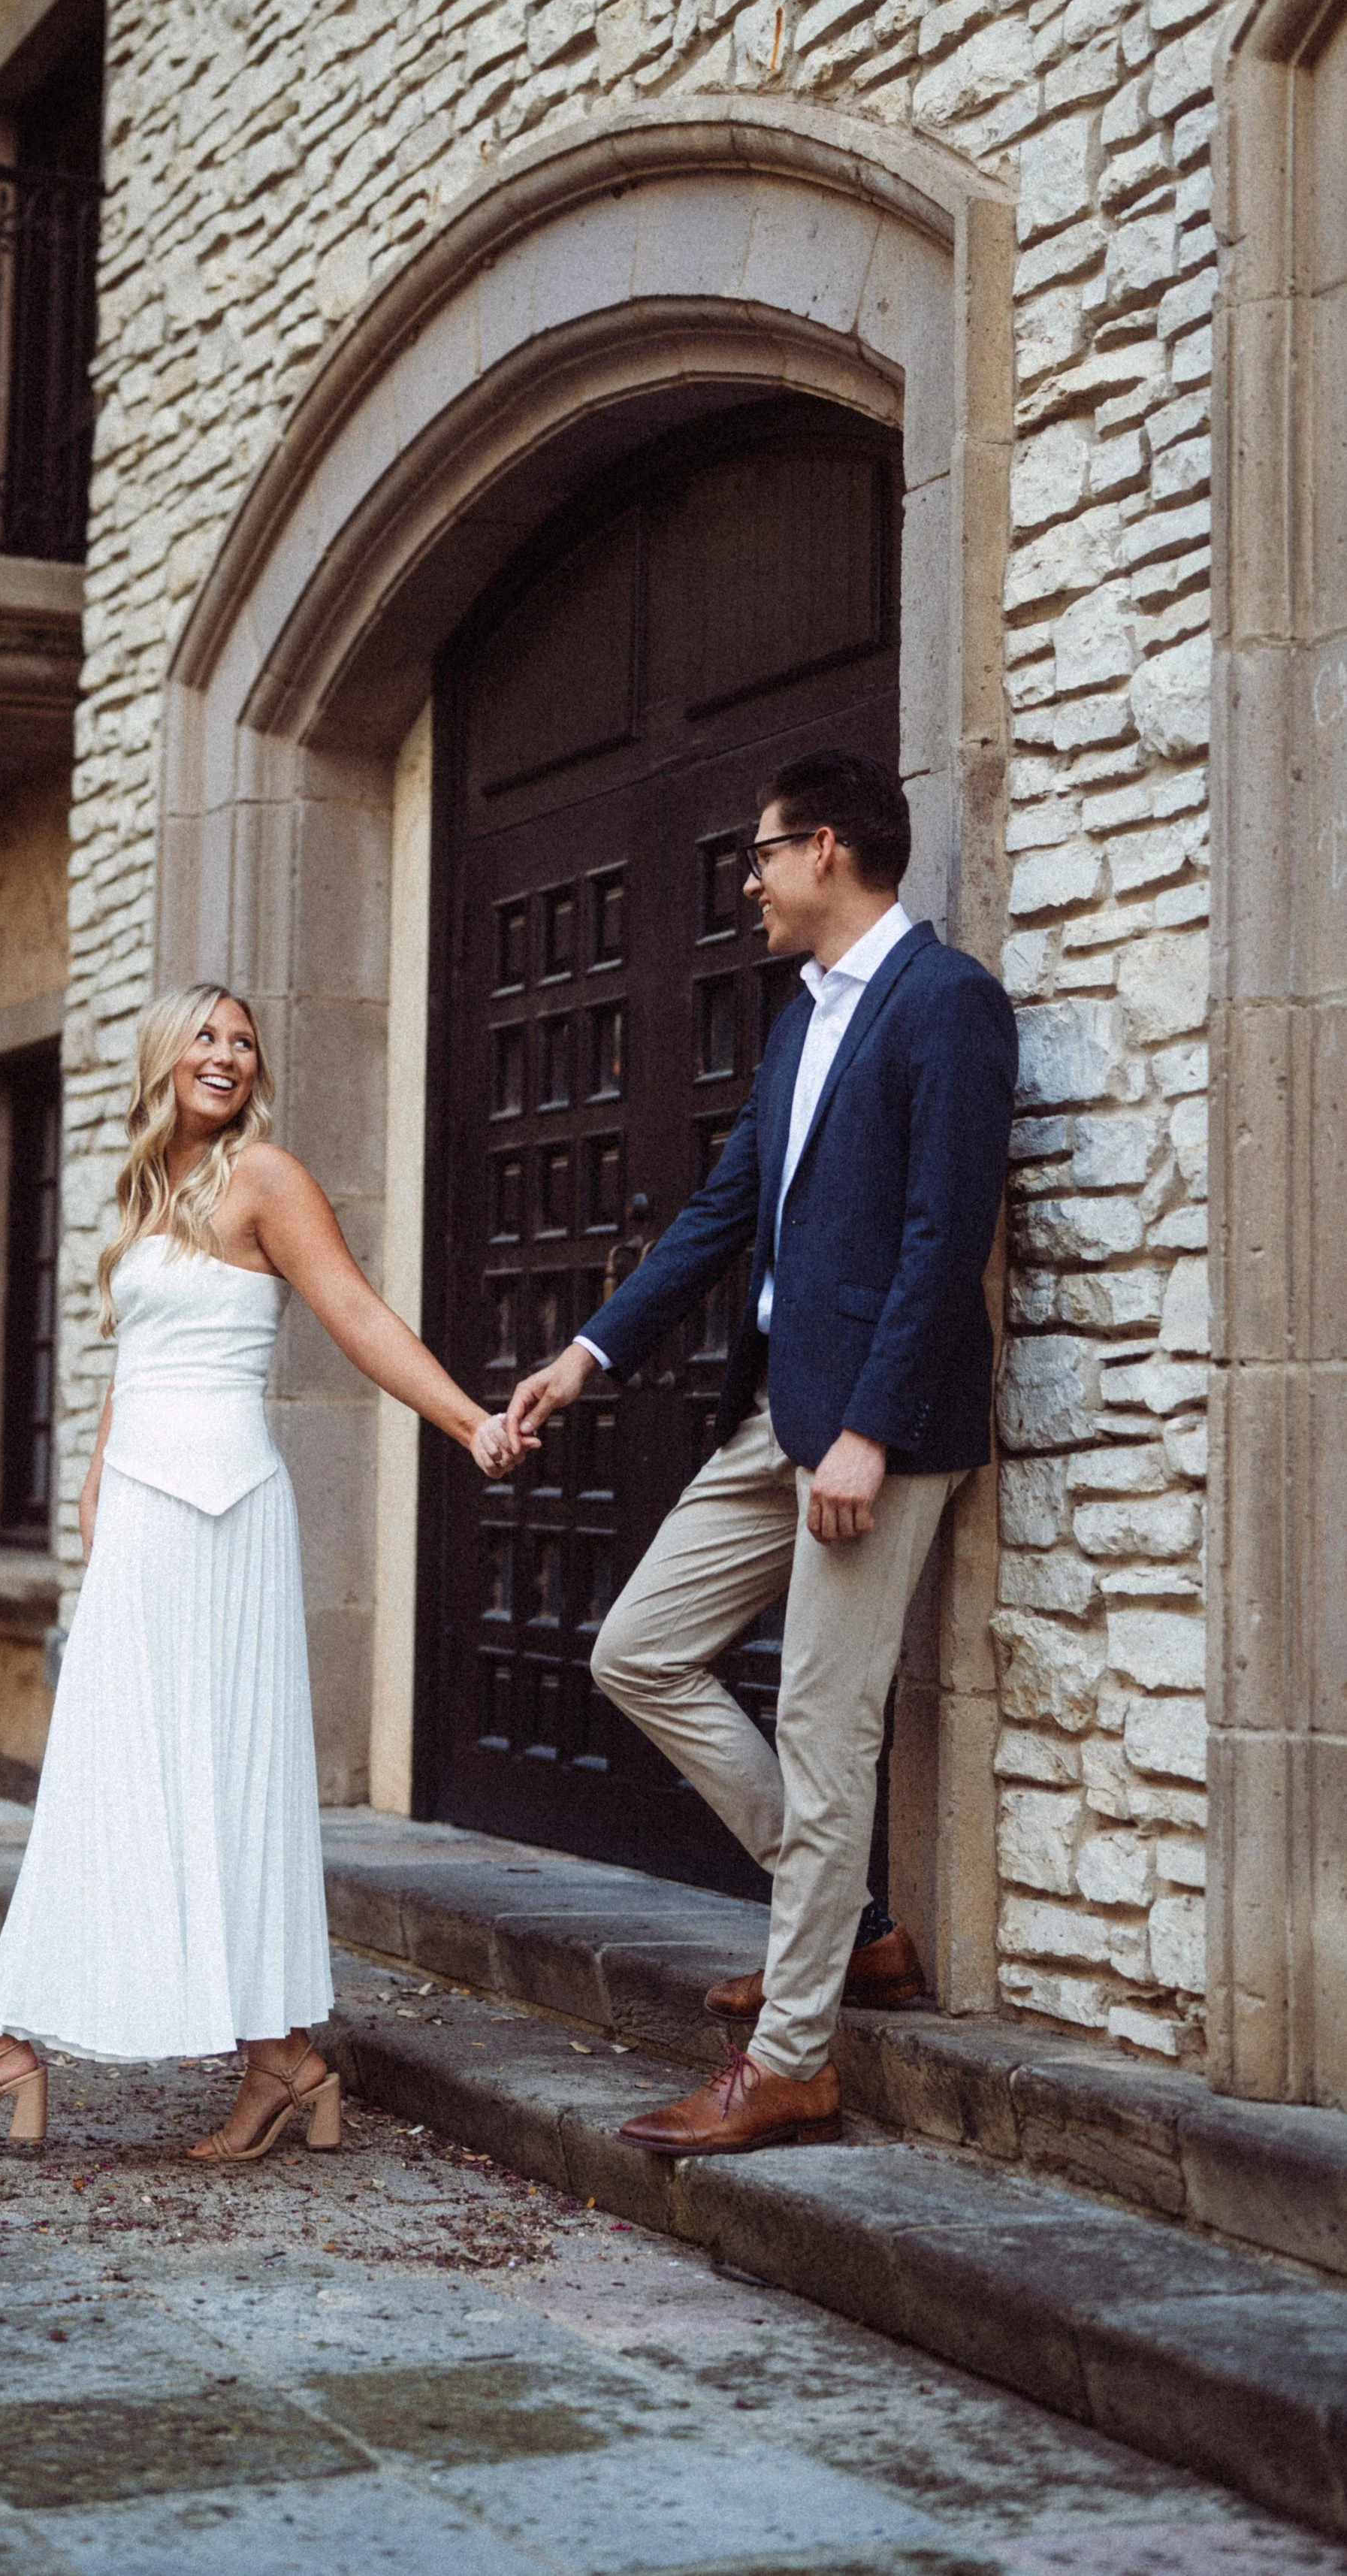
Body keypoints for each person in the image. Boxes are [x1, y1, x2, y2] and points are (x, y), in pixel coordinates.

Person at [0, 982, 516, 2162]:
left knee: (228, 1778)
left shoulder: (266, 1179)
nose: (228, 1053)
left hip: (227, 1516)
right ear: (165, 1056)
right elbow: (137, 1359)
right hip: (139, 1514)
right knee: (108, 1773)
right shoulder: (142, 1192)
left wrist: (467, 1420)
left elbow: (354, 1313)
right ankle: (281, 2060)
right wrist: (91, 1477)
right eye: (208, 1035)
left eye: (244, 1040)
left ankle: (7, 2038)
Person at [505, 749, 1017, 2157]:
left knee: (824, 1723)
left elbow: (945, 1237)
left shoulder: (950, 1003)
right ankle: (848, 1924)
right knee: (639, 1648)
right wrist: (588, 1353)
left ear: (830, 850)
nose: (749, 882)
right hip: (779, 1411)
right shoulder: (803, 1020)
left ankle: (792, 2060)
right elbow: (722, 1211)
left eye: (763, 855)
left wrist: (865, 1431)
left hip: (877, 1429)